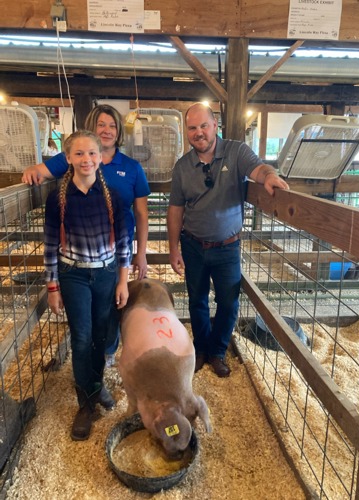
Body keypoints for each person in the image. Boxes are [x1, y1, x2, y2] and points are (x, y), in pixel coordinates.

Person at [167, 103, 289, 378]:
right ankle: (201, 348)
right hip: (193, 244)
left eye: (203, 126)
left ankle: (218, 351)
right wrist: (174, 249)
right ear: (187, 132)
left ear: (215, 126)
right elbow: (175, 209)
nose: (199, 132)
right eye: (192, 128)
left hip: (227, 246)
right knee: (197, 300)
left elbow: (258, 169)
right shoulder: (183, 167)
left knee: (229, 302)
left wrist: (269, 176)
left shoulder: (236, 152)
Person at [22, 104, 150, 366]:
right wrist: (32, 171)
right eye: (101, 124)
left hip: (116, 251)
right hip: (79, 252)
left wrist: (141, 253)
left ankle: (107, 354)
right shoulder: (79, 155)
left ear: (119, 132)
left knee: (114, 304)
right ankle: (86, 357)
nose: (107, 130)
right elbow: (42, 170)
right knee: (85, 313)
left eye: (112, 125)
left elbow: (141, 213)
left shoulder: (131, 167)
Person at [44, 130, 131, 440]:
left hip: (106, 274)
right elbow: (51, 242)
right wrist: (52, 286)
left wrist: (123, 279)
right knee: (81, 337)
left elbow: (123, 242)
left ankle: (95, 385)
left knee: (101, 335)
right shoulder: (58, 198)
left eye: (92, 153)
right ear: (68, 158)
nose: (86, 159)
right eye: (79, 154)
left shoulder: (113, 197)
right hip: (74, 274)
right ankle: (85, 405)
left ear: (100, 158)